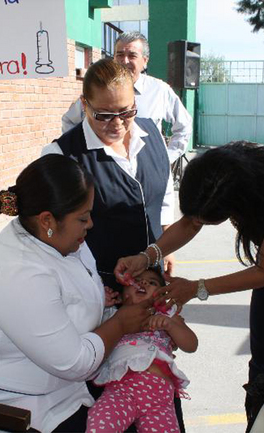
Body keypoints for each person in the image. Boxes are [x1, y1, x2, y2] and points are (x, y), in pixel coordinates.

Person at [115, 141, 264, 423]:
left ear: (238, 204)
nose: (198, 223)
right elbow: (191, 223)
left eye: (206, 219)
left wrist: (196, 288)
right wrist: (146, 256)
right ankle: (259, 424)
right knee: (263, 362)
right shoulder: (220, 171)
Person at [0, 154, 154, 433]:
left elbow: (76, 291)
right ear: (47, 220)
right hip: (22, 413)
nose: (90, 224)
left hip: (66, 390)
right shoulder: (19, 273)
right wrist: (122, 322)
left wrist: (112, 304)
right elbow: (75, 363)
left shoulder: (59, 239)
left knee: (156, 395)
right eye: (83, 218)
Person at [43, 58, 175, 286]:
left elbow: (165, 197)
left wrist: (166, 248)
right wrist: (85, 285)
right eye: (104, 115)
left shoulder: (153, 134)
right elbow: (54, 232)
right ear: (84, 104)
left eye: (126, 112)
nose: (117, 124)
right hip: (99, 284)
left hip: (152, 278)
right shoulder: (61, 154)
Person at [87, 267, 197, 433]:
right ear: (122, 295)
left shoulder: (167, 315)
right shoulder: (112, 315)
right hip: (120, 390)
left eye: (152, 283)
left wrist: (170, 325)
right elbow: (90, 339)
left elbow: (191, 345)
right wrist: (102, 302)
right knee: (99, 424)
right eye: (136, 281)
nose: (144, 283)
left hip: (158, 395)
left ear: (162, 296)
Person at [61, 31, 193, 163]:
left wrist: (166, 158)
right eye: (120, 55)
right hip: (104, 166)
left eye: (132, 55)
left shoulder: (159, 90)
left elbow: (184, 126)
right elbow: (70, 121)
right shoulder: (99, 89)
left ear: (145, 61)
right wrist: (78, 157)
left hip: (148, 166)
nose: (124, 61)